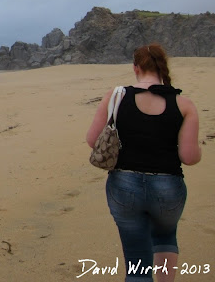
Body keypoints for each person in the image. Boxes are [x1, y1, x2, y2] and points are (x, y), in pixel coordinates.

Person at [86, 43, 201, 282]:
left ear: (135, 68)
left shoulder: (116, 97)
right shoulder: (183, 104)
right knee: (166, 236)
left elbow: (92, 140)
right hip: (169, 188)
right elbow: (189, 158)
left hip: (123, 186)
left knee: (137, 266)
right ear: (162, 68)